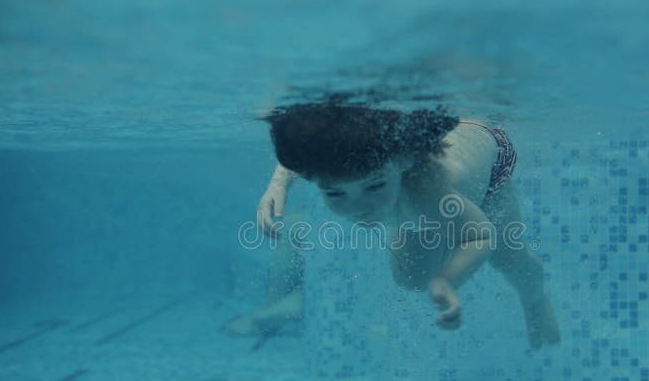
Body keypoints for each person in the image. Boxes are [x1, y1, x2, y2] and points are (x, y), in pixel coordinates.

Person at [224, 103, 560, 349]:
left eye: (373, 187)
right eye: (335, 193)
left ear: (402, 164)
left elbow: (481, 234)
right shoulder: (357, 166)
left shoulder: (429, 196)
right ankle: (412, 215)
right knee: (411, 279)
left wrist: (448, 280)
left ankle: (536, 301)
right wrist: (278, 184)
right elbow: (313, 152)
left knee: (507, 258)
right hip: (414, 196)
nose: (358, 208)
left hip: (490, 162)